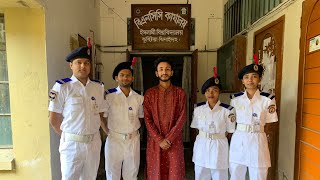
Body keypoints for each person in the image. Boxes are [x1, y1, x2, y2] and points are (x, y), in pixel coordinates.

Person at [48, 46, 108, 180]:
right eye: (78, 62)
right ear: (71, 65)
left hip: (93, 143)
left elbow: (100, 113)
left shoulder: (98, 87)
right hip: (72, 145)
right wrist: (68, 135)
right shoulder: (63, 87)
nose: (83, 66)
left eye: (86, 63)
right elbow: (53, 119)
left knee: (90, 177)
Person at [229, 58, 278, 180]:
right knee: (236, 174)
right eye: (246, 77)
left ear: (259, 79)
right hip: (239, 139)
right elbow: (232, 121)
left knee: (259, 175)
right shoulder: (235, 100)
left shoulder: (268, 99)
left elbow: (270, 123)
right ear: (242, 81)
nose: (250, 80)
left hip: (258, 140)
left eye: (254, 76)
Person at [143, 57, 187, 180]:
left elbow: (182, 117)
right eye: (161, 69)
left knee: (175, 173)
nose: (164, 72)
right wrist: (159, 139)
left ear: (172, 72)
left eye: (167, 69)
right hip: (155, 142)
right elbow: (147, 119)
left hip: (174, 141)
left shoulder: (180, 93)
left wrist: (169, 139)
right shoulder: (149, 93)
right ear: (157, 73)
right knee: (155, 173)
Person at [191, 70, 236, 180]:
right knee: (201, 175)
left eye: (214, 90)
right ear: (205, 93)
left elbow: (230, 132)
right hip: (202, 144)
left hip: (219, 145)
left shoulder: (228, 110)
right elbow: (197, 128)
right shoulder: (198, 109)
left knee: (220, 175)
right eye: (208, 91)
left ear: (219, 92)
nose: (211, 94)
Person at [103, 61, 144, 180]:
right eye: (122, 75)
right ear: (116, 78)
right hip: (114, 140)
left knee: (131, 174)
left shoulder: (139, 98)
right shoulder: (109, 96)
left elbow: (140, 118)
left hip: (133, 141)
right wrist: (107, 132)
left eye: (128, 75)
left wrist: (132, 129)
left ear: (132, 78)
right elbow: (102, 117)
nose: (125, 78)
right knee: (112, 174)